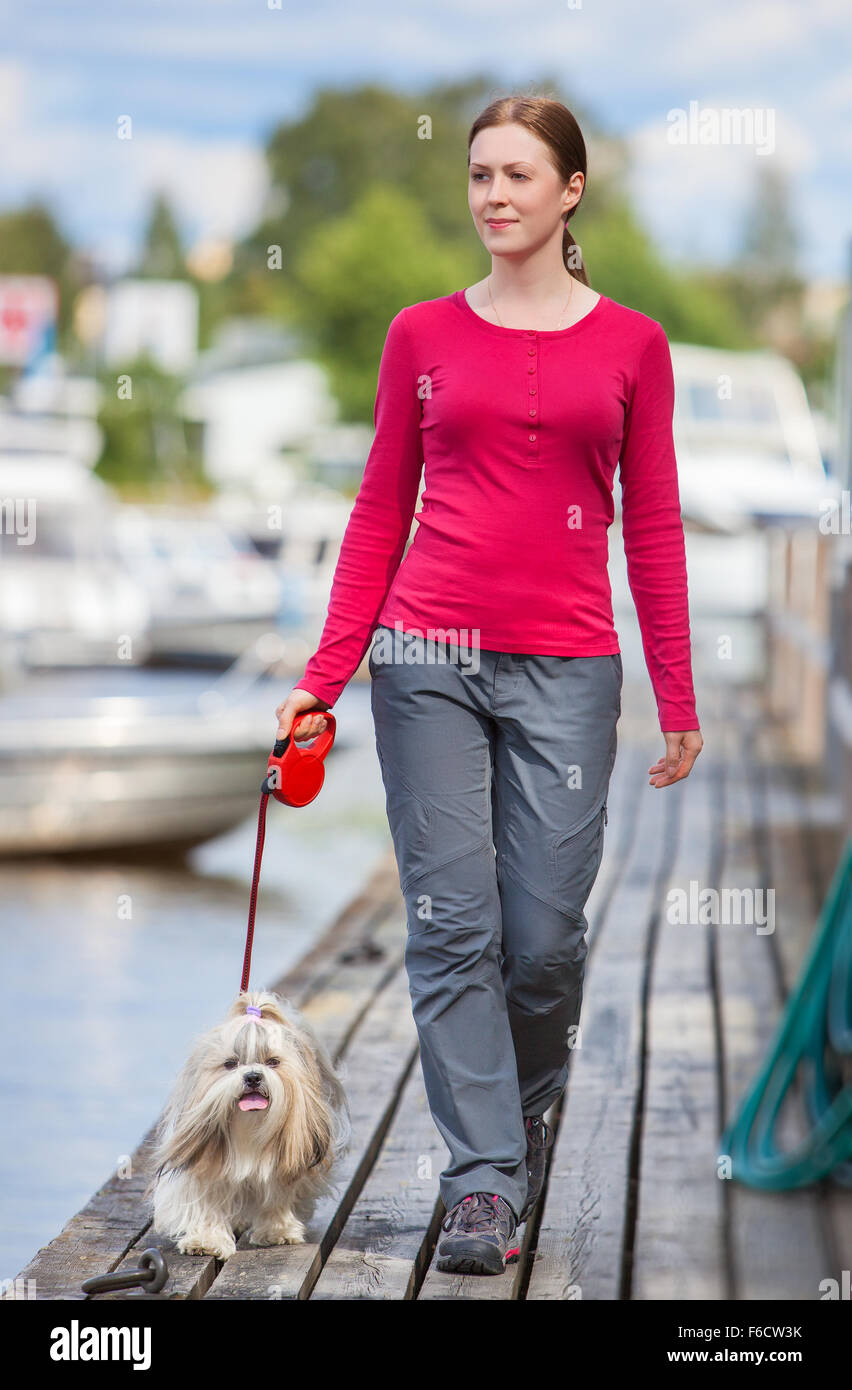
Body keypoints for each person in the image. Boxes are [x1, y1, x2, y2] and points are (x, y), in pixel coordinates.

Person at [275, 93, 703, 1276]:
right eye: (479, 175)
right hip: (425, 661)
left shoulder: (633, 345)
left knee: (545, 935)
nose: (495, 194)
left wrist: (677, 692)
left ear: (572, 191)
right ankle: (480, 1181)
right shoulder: (419, 334)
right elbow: (379, 506)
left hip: (569, 664)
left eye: (520, 174)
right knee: (451, 925)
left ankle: (515, 1121)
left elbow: (653, 526)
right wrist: (326, 674)